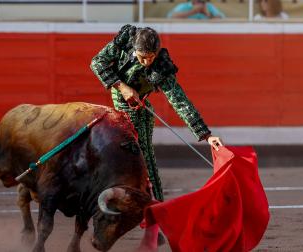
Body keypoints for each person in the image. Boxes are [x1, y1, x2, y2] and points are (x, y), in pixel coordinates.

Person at [90, 25, 224, 202]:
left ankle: (155, 209)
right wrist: (122, 87)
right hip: (118, 106)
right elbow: (97, 62)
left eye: (151, 57)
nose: (147, 62)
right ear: (134, 49)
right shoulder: (125, 41)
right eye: (142, 57)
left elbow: (180, 101)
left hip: (136, 111)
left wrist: (206, 135)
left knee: (145, 160)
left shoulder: (161, 66)